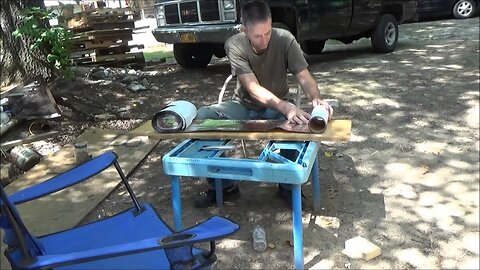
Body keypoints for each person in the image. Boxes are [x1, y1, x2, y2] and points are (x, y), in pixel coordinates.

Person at [194, 0, 333, 208]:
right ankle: (223, 186)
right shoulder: (234, 44)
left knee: (295, 123)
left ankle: (288, 187)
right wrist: (286, 107)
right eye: (258, 35)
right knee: (203, 117)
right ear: (244, 30)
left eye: (268, 32)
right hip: (243, 105)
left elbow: (304, 76)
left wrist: (316, 99)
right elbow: (252, 88)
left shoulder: (285, 39)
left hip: (275, 108)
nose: (265, 40)